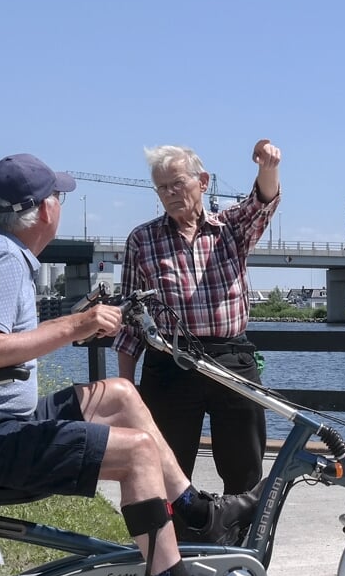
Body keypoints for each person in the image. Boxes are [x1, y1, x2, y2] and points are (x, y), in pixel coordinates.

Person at [0, 153, 258, 576]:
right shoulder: (4, 259)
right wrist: (78, 324)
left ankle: (198, 512)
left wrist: (76, 325)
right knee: (136, 451)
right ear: (43, 210)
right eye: (59, 196)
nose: (61, 205)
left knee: (119, 394)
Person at [115, 140, 281, 493]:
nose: (171, 193)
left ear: (203, 182)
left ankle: (238, 544)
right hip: (169, 364)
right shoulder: (142, 240)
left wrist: (267, 165)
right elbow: (131, 322)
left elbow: (261, 204)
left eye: (178, 183)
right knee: (165, 473)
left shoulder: (230, 228)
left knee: (244, 471)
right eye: (162, 187)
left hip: (230, 361)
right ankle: (174, 546)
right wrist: (128, 390)